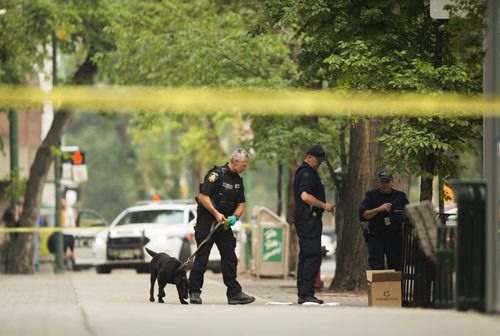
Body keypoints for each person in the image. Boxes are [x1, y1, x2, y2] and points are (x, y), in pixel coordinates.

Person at [189, 148, 255, 305]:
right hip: (208, 222)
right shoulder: (216, 175)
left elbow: (240, 205)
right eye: (244, 165)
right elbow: (203, 196)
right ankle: (194, 291)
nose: (245, 168)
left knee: (230, 257)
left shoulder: (238, 181)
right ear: (236, 162)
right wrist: (216, 213)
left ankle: (234, 294)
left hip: (224, 224)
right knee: (202, 257)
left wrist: (235, 217)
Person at [293, 145, 335, 304]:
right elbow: (305, 196)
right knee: (312, 255)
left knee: (305, 255)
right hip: (308, 220)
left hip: (307, 220)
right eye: (318, 160)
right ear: (309, 157)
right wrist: (324, 206)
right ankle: (306, 294)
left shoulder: (305, 172)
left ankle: (303, 292)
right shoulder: (306, 173)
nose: (319, 164)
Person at [359, 170, 409, 271]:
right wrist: (378, 209)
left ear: (392, 182)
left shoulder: (400, 196)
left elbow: (409, 213)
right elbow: (364, 215)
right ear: (379, 182)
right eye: (382, 182)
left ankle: (394, 287)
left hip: (395, 237)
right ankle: (379, 287)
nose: (385, 185)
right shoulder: (371, 196)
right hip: (376, 237)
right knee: (377, 267)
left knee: (396, 267)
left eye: (387, 182)